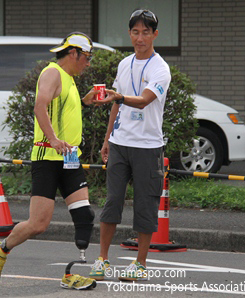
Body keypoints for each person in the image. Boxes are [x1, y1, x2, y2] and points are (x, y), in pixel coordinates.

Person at [0, 32, 101, 290]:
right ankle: (1, 249)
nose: (89, 63)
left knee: (84, 216)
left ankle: (76, 270)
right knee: (38, 224)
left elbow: (62, 113)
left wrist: (84, 101)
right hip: (47, 159)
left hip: (70, 158)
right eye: (87, 58)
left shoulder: (70, 79)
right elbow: (40, 106)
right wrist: (53, 139)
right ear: (74, 54)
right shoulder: (52, 73)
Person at [89, 9, 171, 281]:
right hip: (120, 143)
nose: (140, 38)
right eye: (135, 32)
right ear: (130, 34)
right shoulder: (124, 64)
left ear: (155, 34)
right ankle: (102, 260)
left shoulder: (160, 68)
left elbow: (144, 99)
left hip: (148, 146)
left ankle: (140, 263)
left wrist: (120, 97)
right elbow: (116, 103)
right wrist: (106, 138)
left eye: (145, 32)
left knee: (145, 203)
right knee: (112, 201)